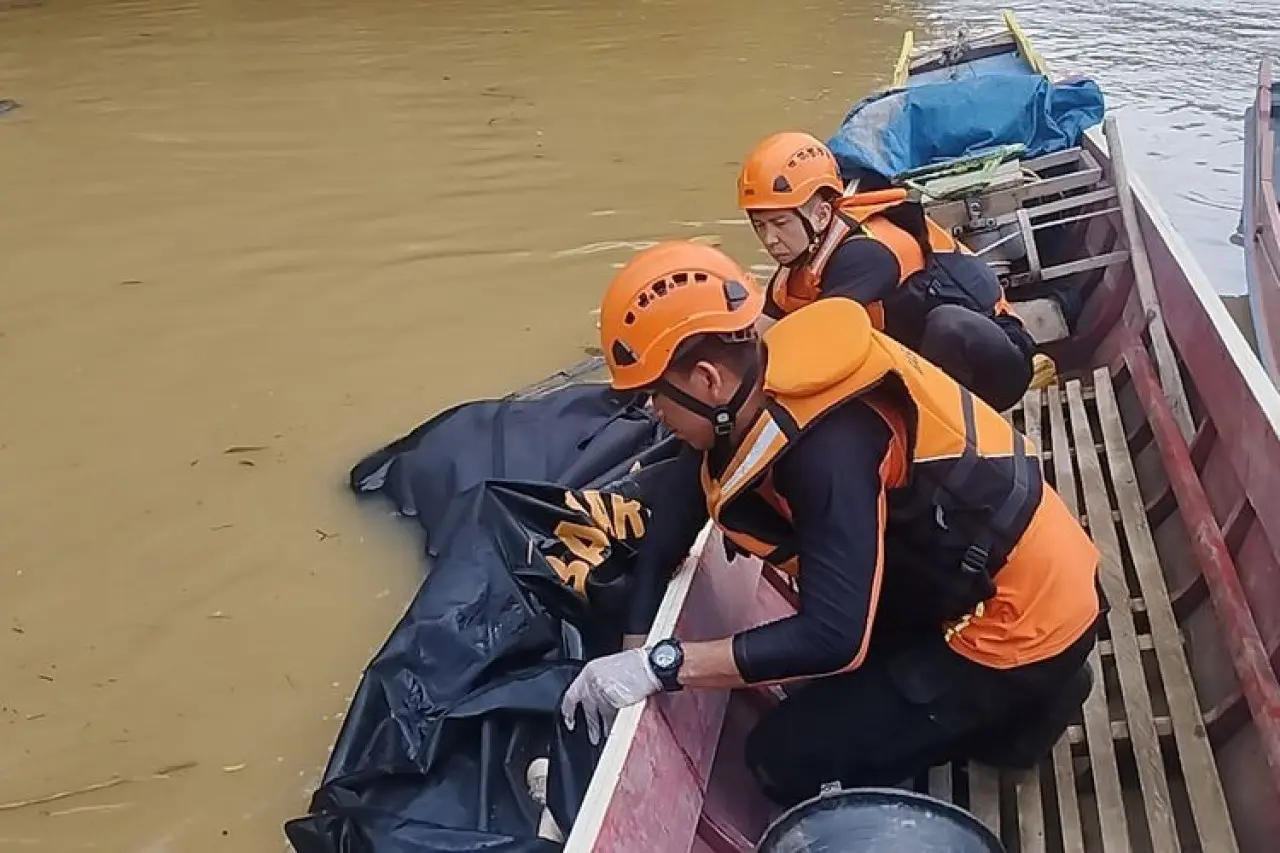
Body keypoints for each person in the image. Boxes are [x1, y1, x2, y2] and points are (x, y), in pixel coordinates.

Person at [561, 241, 1100, 806]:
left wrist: (664, 664)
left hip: (1014, 622)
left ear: (706, 380)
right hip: (966, 573)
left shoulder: (828, 448)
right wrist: (631, 650)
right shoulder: (751, 395)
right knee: (809, 683)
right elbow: (669, 528)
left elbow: (833, 639)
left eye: (654, 396)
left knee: (780, 760)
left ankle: (1031, 702)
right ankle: (1023, 695)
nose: (652, 413)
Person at [736, 131, 1039, 413]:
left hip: (994, 364)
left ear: (822, 214)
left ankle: (949, 436)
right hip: (921, 359)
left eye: (780, 223)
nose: (770, 239)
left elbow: (821, 345)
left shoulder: (865, 254)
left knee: (946, 326)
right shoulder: (798, 264)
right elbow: (762, 334)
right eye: (760, 225)